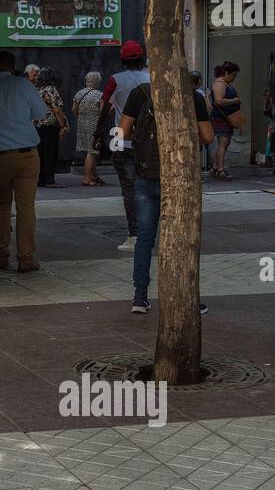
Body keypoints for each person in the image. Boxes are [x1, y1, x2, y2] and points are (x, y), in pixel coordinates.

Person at [118, 73, 215, 315]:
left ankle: (139, 297)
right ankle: (184, 296)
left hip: (145, 175)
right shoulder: (192, 97)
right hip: (179, 178)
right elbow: (208, 137)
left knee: (145, 239)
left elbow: (122, 132)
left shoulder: (140, 93)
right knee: (180, 240)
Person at [0, 50, 46, 272]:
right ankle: (25, 258)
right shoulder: (23, 85)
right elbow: (41, 113)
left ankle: (1, 255)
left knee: (1, 205)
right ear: (13, 67)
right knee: (26, 207)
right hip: (26, 154)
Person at [101, 41, 150, 252]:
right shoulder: (152, 79)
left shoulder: (115, 80)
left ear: (123, 59)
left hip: (121, 138)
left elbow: (103, 109)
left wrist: (100, 134)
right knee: (150, 189)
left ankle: (135, 235)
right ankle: (149, 232)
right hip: (149, 142)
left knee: (129, 190)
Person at [34, 67, 69, 188]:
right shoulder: (51, 90)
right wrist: (63, 125)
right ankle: (49, 180)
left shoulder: (36, 89)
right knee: (50, 152)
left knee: (40, 153)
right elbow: (57, 109)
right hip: (49, 125)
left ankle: (40, 179)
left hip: (36, 125)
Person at [209, 61, 240, 180]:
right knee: (223, 142)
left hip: (227, 117)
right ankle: (220, 169)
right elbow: (219, 100)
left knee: (225, 142)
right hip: (220, 117)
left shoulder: (225, 83)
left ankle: (217, 166)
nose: (234, 78)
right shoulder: (220, 84)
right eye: (233, 75)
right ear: (226, 73)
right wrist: (234, 101)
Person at [73, 72, 106, 186]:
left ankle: (92, 175)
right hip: (94, 125)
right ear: (98, 82)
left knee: (92, 151)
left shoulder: (79, 93)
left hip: (82, 123)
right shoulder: (100, 95)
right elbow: (102, 111)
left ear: (87, 80)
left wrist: (79, 118)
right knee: (91, 152)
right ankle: (87, 178)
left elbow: (74, 109)